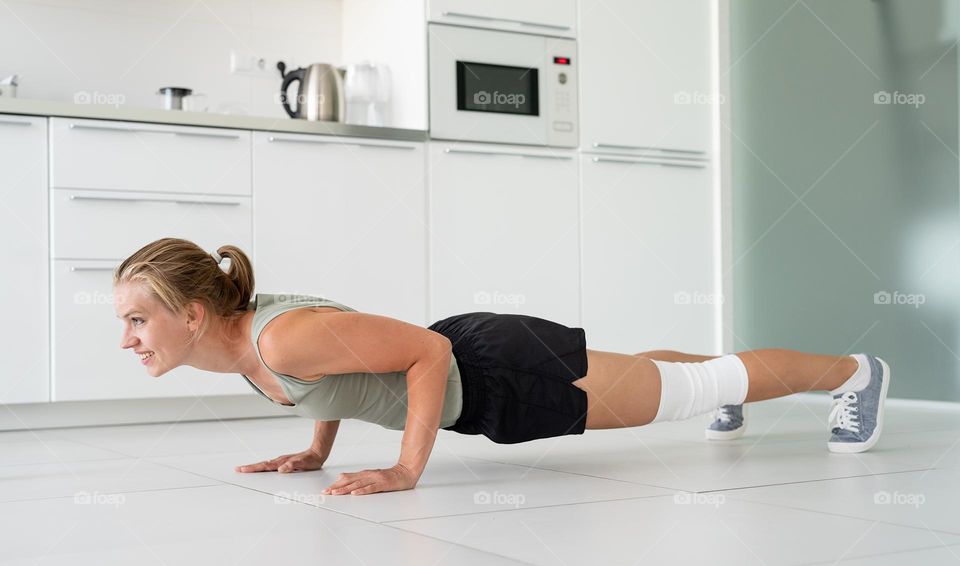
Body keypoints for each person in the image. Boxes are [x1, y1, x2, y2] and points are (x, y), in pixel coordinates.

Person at [113, 238, 891, 496]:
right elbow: (345, 370)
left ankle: (855, 373)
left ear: (193, 315)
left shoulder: (276, 339)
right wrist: (319, 450)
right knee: (664, 375)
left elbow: (427, 351)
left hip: (491, 370)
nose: (128, 339)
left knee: (691, 390)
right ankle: (747, 381)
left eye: (137, 320)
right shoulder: (250, 351)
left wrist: (405, 469)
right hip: (486, 384)